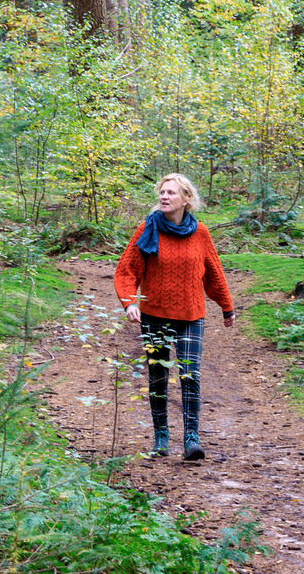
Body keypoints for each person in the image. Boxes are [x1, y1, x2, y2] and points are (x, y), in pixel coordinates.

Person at [113, 173, 234, 460]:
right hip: (154, 315)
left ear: (186, 199)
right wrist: (129, 302)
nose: (164, 197)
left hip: (191, 315)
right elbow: (126, 270)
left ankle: (191, 438)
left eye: (171, 193)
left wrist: (226, 306)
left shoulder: (201, 233)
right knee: (157, 376)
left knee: (190, 374)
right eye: (162, 192)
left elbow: (213, 272)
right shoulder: (148, 228)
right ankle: (161, 437)